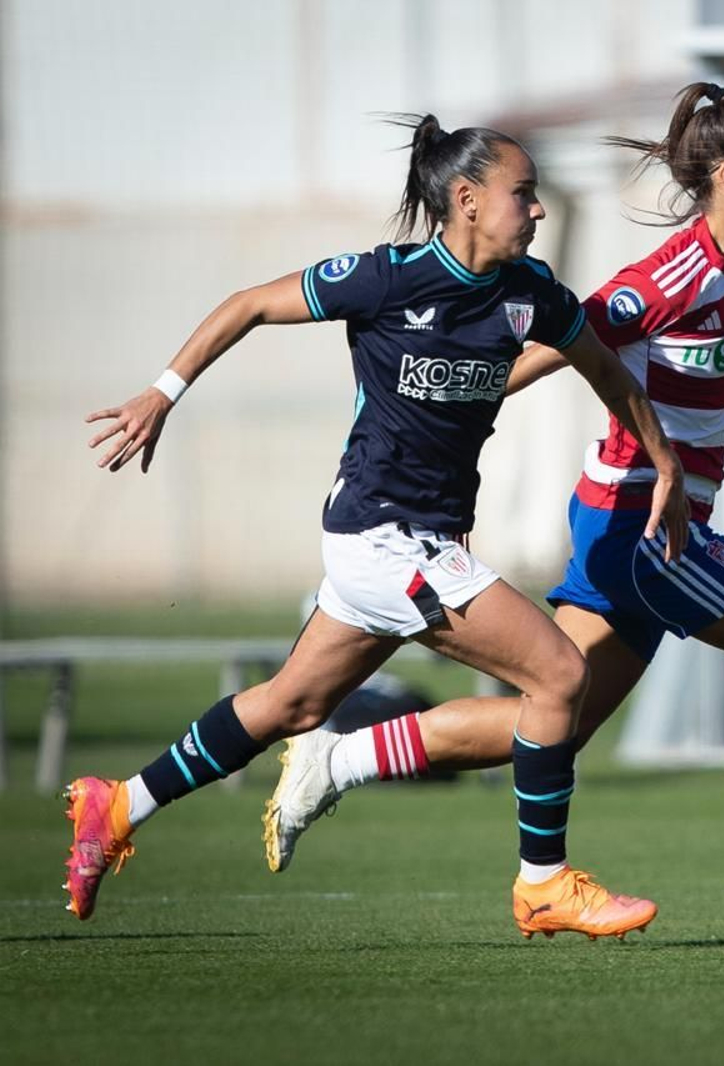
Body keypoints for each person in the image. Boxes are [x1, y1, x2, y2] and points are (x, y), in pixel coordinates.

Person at [264, 83, 724, 932]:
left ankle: (340, 757)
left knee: (555, 723)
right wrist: (429, 427)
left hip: (658, 518)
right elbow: (537, 351)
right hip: (638, 521)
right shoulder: (658, 281)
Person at [64, 115, 690, 943]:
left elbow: (610, 374)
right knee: (561, 678)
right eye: (524, 194)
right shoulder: (388, 279)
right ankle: (542, 885)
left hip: (413, 544)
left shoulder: (530, 293)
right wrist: (161, 393)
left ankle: (120, 804)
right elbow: (250, 303)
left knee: (293, 703)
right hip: (384, 537)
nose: (537, 211)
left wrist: (667, 467)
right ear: (466, 200)